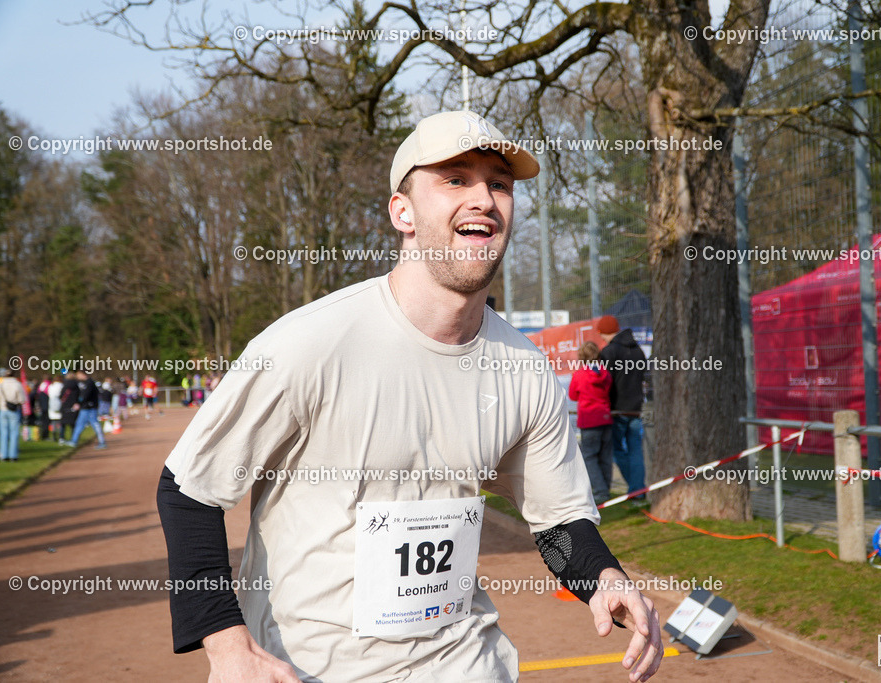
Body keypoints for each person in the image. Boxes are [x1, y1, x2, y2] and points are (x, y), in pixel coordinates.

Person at [156, 110, 662, 683]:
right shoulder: (310, 343)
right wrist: (227, 647)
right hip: (311, 671)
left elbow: (559, 520)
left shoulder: (524, 368)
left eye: (498, 183)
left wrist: (605, 578)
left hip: (467, 664)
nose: (484, 199)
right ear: (403, 212)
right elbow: (189, 490)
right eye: (455, 179)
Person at [598, 315, 648, 500]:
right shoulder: (638, 350)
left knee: (617, 450)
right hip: (636, 408)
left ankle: (635, 489)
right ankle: (639, 491)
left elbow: (605, 382)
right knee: (636, 450)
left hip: (617, 409)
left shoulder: (609, 352)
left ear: (603, 332)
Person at [568, 342, 614, 504]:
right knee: (605, 456)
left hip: (589, 420)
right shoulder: (605, 373)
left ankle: (600, 491)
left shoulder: (580, 374)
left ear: (581, 357)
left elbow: (573, 395)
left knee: (589, 457)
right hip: (606, 418)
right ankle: (606, 488)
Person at [67, 370, 107, 450]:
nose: (77, 377)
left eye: (78, 375)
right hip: (85, 408)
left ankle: (102, 442)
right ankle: (74, 441)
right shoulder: (86, 383)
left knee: (95, 424)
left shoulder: (89, 383)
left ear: (83, 374)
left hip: (90, 408)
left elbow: (85, 395)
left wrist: (79, 403)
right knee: (79, 424)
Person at [0, 368, 26, 461]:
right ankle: (13, 455)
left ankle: (4, 454)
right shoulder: (17, 384)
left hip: (3, 409)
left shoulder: (0, 384)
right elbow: (22, 399)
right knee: (14, 433)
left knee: (3, 433)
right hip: (13, 410)